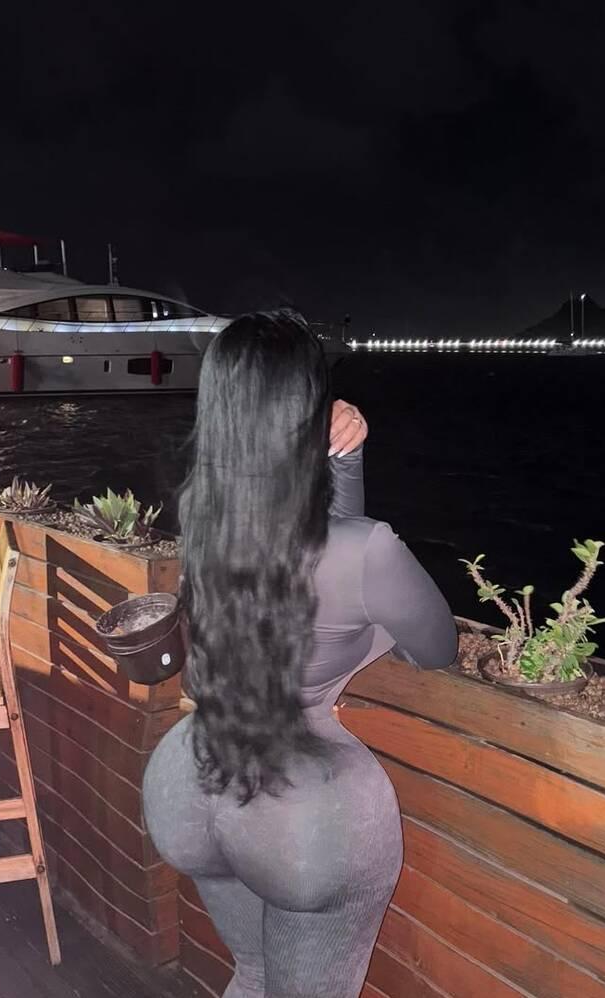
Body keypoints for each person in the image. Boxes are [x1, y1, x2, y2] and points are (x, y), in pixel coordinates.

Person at [142, 311, 458, 998]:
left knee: (253, 974)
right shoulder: (369, 550)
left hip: (190, 779)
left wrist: (343, 460)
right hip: (303, 816)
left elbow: (306, 549)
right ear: (304, 410)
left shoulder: (204, 517)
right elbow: (437, 648)